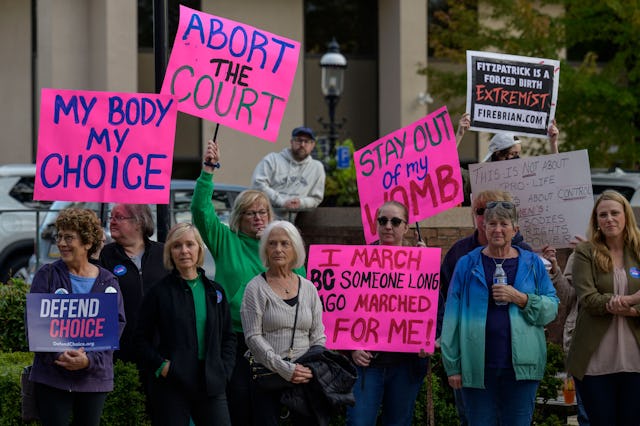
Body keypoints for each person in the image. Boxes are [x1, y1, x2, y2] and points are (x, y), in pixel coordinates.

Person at [191, 139, 306, 425]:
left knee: (269, 413)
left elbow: (302, 291)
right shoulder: (226, 241)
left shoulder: (280, 247)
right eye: (250, 213)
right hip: (236, 339)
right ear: (238, 218)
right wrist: (208, 170)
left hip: (276, 341)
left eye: (263, 212)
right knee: (239, 406)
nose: (258, 218)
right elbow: (201, 211)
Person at [441, 201, 558, 425]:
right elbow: (452, 316)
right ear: (483, 227)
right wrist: (453, 366)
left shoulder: (532, 263)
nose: (497, 229)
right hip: (476, 368)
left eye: (504, 223)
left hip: (521, 370)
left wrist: (521, 298)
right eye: (492, 223)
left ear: (515, 229)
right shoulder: (467, 264)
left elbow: (551, 308)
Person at [28, 208, 126, 426]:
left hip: (93, 379)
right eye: (59, 236)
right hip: (52, 377)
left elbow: (114, 328)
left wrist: (88, 360)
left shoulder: (108, 282)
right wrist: (58, 354)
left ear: (87, 242)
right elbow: (36, 324)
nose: (61, 243)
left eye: (69, 237)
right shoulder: (48, 275)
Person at [135, 222, 236, 425]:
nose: (184, 251)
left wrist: (224, 370)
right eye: (177, 245)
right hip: (172, 382)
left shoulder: (214, 291)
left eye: (190, 244)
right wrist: (161, 366)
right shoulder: (159, 292)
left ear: (199, 248)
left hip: (211, 381)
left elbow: (228, 337)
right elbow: (139, 339)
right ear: (170, 251)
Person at [345, 201, 429, 426]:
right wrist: (351, 346)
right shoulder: (358, 262)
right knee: (359, 422)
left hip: (405, 364)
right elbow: (342, 310)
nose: (388, 226)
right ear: (376, 224)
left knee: (399, 422)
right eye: (383, 221)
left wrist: (429, 340)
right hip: (366, 364)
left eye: (395, 221)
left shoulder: (421, 262)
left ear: (406, 227)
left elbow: (434, 310)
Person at [240, 220, 326, 425]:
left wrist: (310, 369)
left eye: (285, 243)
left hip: (305, 380)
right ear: (265, 249)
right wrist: (285, 368)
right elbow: (253, 337)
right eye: (272, 243)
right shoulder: (255, 288)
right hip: (269, 379)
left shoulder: (309, 288)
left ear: (295, 248)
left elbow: (318, 335)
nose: (278, 249)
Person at [567, 190, 640, 425]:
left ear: (626, 216)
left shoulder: (639, 250)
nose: (609, 219)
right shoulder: (585, 252)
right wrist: (629, 301)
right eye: (603, 214)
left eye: (614, 213)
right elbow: (588, 299)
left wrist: (633, 311)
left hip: (635, 360)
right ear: (596, 220)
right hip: (595, 362)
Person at [99, 203, 167, 364]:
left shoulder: (163, 253)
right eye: (111, 217)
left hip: (159, 348)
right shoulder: (105, 254)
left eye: (119, 217)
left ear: (139, 222)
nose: (112, 221)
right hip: (121, 347)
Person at [251, 126, 326, 219]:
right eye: (298, 140)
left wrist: (301, 203)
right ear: (291, 142)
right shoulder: (272, 160)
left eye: (306, 141)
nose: (302, 144)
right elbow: (257, 184)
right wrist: (281, 202)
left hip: (299, 223)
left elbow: (316, 198)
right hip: (268, 219)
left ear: (313, 145)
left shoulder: (317, 168)